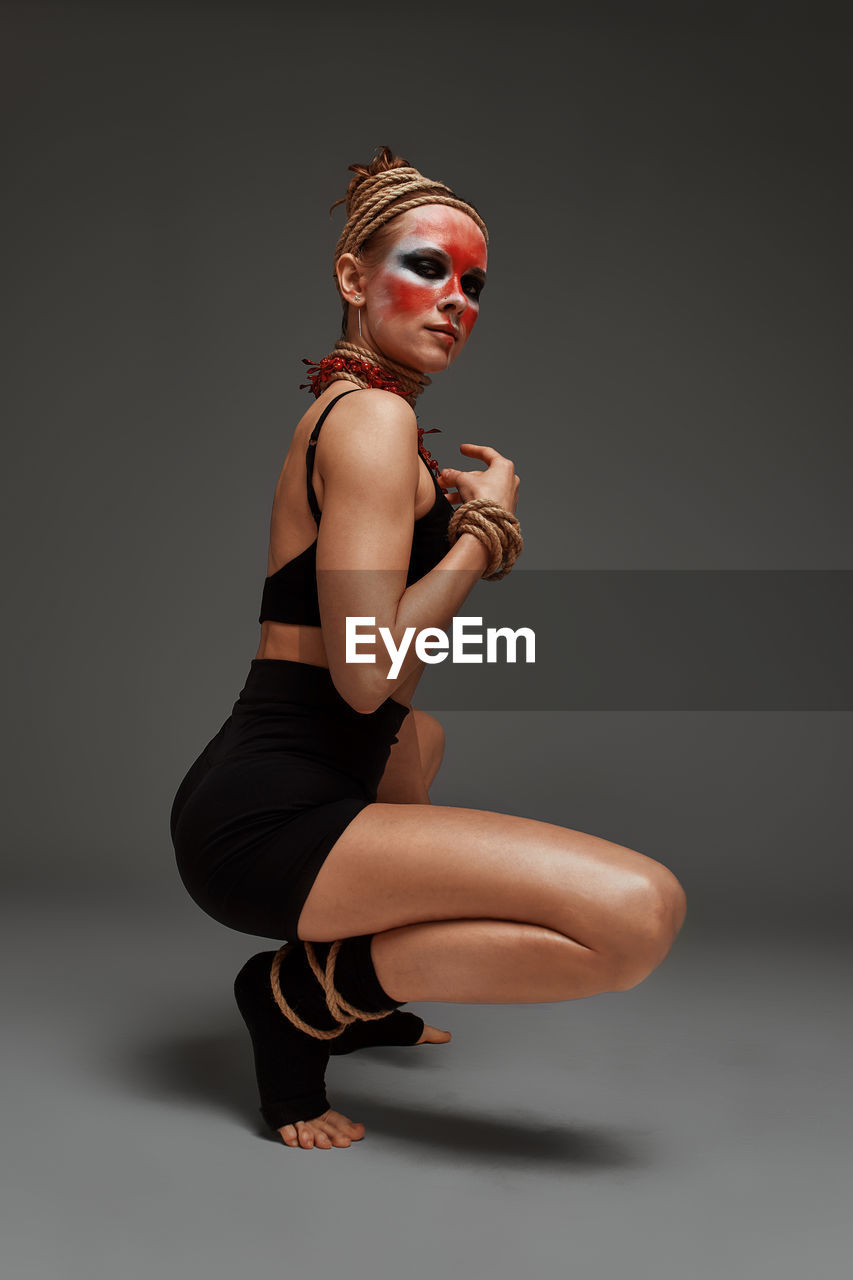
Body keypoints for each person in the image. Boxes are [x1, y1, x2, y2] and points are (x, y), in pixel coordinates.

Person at [169, 146, 688, 1153]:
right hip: (263, 819)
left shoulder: (369, 422)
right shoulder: (367, 421)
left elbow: (370, 684)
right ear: (353, 278)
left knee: (423, 738)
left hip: (281, 780)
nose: (455, 300)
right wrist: (480, 539)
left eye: (472, 284)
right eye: (426, 268)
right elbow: (365, 675)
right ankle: (302, 995)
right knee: (635, 915)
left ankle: (356, 987)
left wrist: (438, 527)